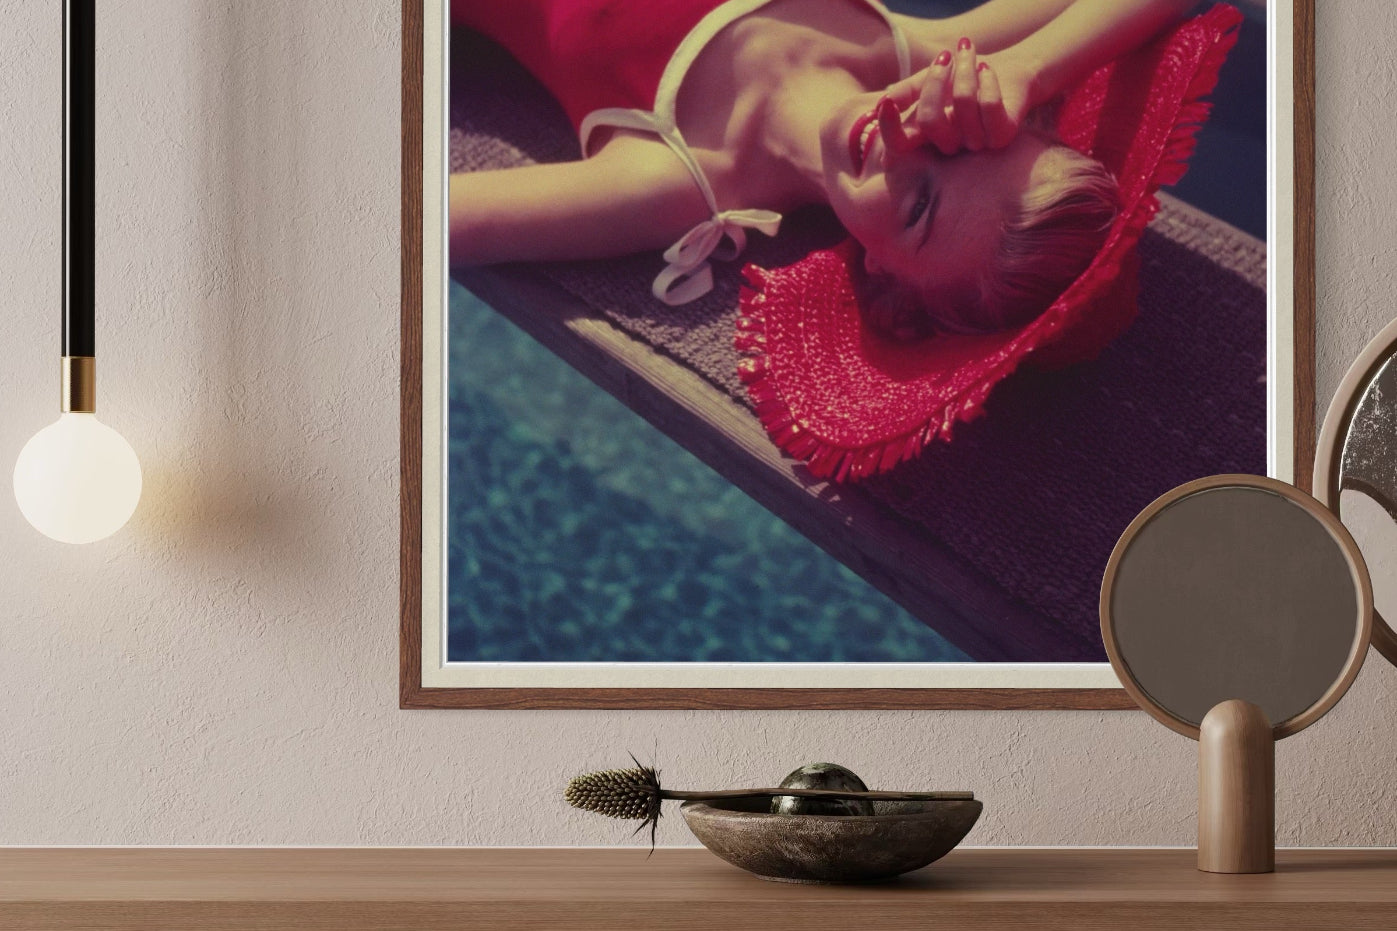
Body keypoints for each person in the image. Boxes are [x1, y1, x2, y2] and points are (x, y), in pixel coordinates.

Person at [450, 0, 1197, 338]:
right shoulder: (915, 50)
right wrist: (1029, 67)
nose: (903, 141)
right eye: (962, 138)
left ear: (883, 280)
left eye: (916, 209)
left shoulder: (676, 176)